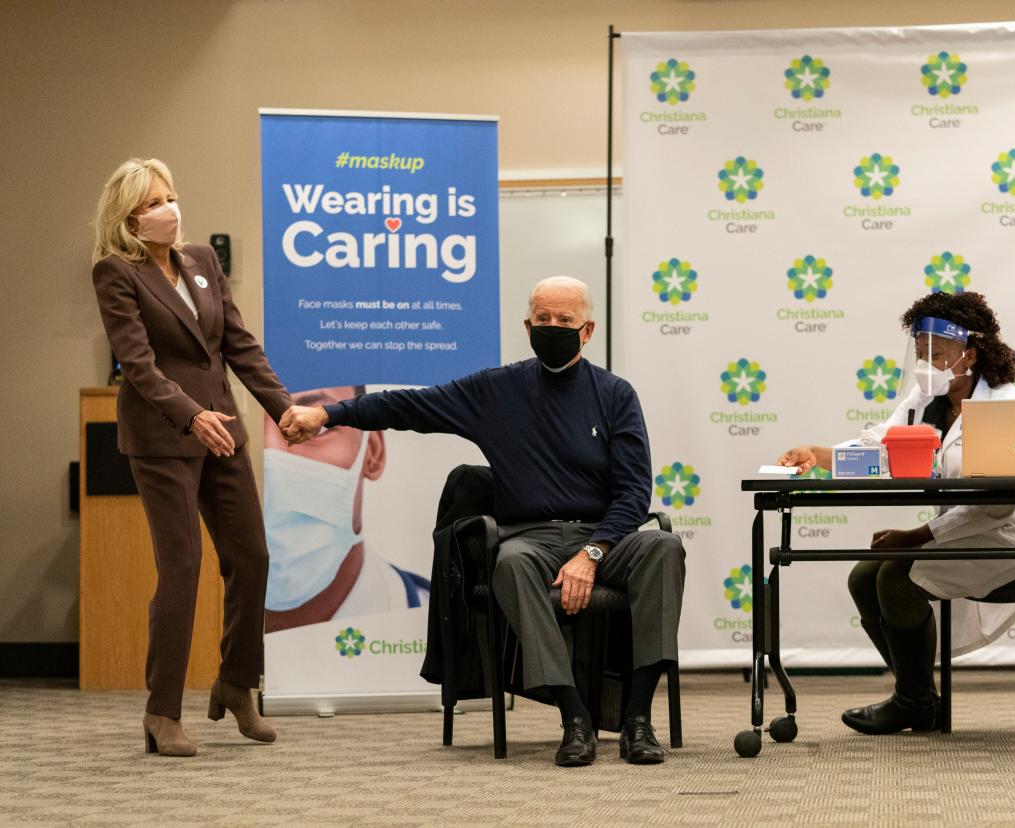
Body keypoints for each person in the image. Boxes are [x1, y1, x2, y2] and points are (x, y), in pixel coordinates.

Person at [280, 276, 686, 767]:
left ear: (588, 331)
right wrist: (328, 415)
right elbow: (407, 406)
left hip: (603, 537)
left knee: (664, 548)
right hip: (530, 538)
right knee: (509, 563)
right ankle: (574, 716)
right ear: (527, 325)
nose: (552, 328)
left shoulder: (616, 394)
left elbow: (634, 492)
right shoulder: (497, 390)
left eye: (565, 321)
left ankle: (638, 719)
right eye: (543, 320)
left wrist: (592, 553)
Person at [777, 291, 1015, 736]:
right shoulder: (924, 400)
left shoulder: (1006, 404)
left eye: (937, 354)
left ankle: (913, 702)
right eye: (920, 354)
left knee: (896, 578)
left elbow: (997, 507)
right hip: (980, 527)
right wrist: (815, 455)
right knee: (864, 577)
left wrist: (919, 536)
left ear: (970, 355)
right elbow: (878, 451)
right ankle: (917, 697)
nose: (925, 365)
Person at [91, 158, 293, 756]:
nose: (169, 210)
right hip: (163, 438)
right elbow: (138, 364)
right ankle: (162, 711)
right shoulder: (115, 272)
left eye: (172, 197)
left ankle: (236, 684)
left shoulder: (202, 261)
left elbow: (237, 344)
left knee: (251, 556)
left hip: (222, 427)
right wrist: (190, 414)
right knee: (181, 568)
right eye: (156, 202)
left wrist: (282, 408)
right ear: (131, 216)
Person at [261, 385, 431, 632]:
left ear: (372, 450)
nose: (273, 463)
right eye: (248, 429)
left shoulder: (446, 629)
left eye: (312, 428)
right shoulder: (202, 629)